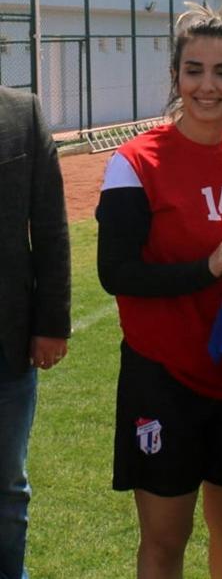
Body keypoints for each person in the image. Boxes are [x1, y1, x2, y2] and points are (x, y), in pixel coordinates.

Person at [96, 1, 222, 579]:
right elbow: (117, 273)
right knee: (166, 538)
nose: (207, 86)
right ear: (177, 77)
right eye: (194, 71)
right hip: (164, 377)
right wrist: (206, 267)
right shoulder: (136, 162)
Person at [0, 86, 71, 579]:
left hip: (6, 340)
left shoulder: (22, 113)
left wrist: (50, 324)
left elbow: (50, 227)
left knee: (7, 486)